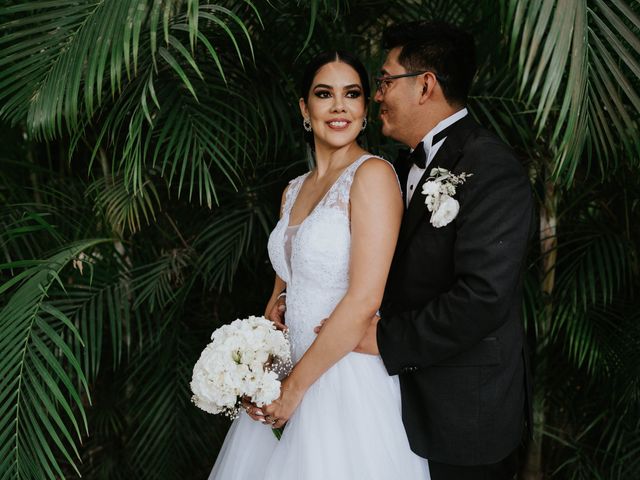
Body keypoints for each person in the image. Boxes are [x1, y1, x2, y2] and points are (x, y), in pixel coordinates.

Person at [275, 21, 534, 480]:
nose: (376, 96)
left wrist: (384, 338)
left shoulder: (491, 168)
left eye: (384, 82)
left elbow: (484, 296)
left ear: (425, 86)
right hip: (384, 394)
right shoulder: (396, 167)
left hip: (462, 410)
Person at [208, 50, 430, 480]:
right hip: (286, 372)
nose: (339, 106)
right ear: (304, 108)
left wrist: (293, 390)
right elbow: (281, 291)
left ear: (365, 108)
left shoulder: (374, 176)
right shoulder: (292, 190)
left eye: (352, 94)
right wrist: (260, 363)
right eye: (324, 94)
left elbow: (365, 298)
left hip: (344, 376)